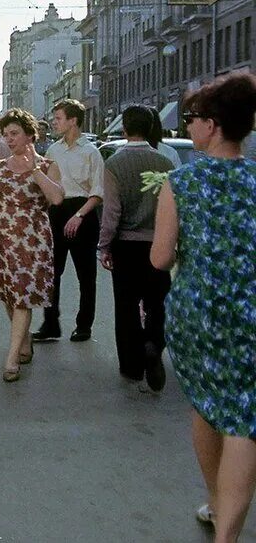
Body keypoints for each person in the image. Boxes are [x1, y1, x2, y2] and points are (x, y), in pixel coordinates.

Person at [151, 72, 256, 540]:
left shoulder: (183, 181)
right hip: (251, 310)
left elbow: (160, 257)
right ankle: (228, 531)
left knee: (208, 406)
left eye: (192, 119)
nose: (189, 126)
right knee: (245, 416)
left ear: (211, 125)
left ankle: (217, 504)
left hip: (199, 311)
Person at [0, 108, 65, 382]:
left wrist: (34, 171)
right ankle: (24, 340)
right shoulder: (0, 168)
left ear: (30, 136)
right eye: (6, 135)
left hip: (33, 241)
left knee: (24, 295)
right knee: (8, 295)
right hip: (4, 239)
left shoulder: (48, 165)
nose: (9, 140)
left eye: (14, 134)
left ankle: (12, 357)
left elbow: (57, 198)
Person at [97, 106, 174, 388]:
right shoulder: (165, 162)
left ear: (124, 128)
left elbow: (112, 212)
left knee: (126, 306)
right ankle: (154, 342)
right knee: (158, 301)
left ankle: (131, 365)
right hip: (158, 241)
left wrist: (104, 245)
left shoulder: (115, 164)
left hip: (126, 245)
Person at [35, 99, 104, 343]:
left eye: (58, 118)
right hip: (58, 210)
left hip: (83, 212)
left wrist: (79, 216)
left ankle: (84, 325)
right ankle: (50, 323)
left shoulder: (91, 152)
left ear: (73, 121)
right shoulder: (53, 150)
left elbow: (97, 192)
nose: (54, 123)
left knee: (86, 275)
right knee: (51, 271)